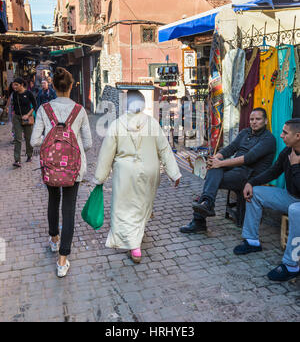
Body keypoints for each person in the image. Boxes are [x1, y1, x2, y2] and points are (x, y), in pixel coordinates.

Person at [94, 90, 181, 264]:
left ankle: (135, 247)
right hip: (150, 171)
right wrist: (174, 173)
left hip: (125, 175)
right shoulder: (152, 123)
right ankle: (138, 232)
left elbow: (106, 155)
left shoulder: (117, 125)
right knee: (141, 203)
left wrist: (100, 178)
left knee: (125, 209)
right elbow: (164, 148)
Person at [30, 67, 92, 278]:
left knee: (52, 200)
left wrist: (51, 141)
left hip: (51, 167)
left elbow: (34, 141)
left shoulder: (44, 109)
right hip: (74, 168)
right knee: (69, 209)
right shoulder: (80, 110)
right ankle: (63, 260)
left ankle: (54, 240)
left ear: (54, 87)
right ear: (72, 86)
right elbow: (89, 143)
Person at [180, 108, 276, 234]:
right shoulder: (245, 132)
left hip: (250, 174)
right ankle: (207, 203)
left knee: (213, 179)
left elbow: (247, 158)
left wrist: (220, 163)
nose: (254, 122)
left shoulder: (268, 139)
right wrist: (216, 158)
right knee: (214, 170)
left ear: (265, 121)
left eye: (258, 119)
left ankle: (200, 218)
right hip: (236, 168)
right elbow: (230, 148)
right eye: (252, 119)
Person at [234, 118, 300, 282]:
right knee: (255, 193)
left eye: (285, 133)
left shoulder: (294, 159)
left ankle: (292, 265)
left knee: (295, 210)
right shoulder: (288, 152)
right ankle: (251, 241)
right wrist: (251, 182)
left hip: (297, 204)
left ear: (298, 135)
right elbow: (273, 172)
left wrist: (296, 166)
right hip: (291, 197)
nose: (281, 135)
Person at [10, 78, 37, 167]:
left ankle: (29, 155)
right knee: (17, 138)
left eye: (16, 85)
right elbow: (13, 105)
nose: (14, 86)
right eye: (14, 85)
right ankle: (17, 160)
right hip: (17, 118)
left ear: (22, 85)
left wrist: (28, 115)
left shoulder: (28, 93)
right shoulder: (14, 94)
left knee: (28, 138)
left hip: (27, 118)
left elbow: (35, 105)